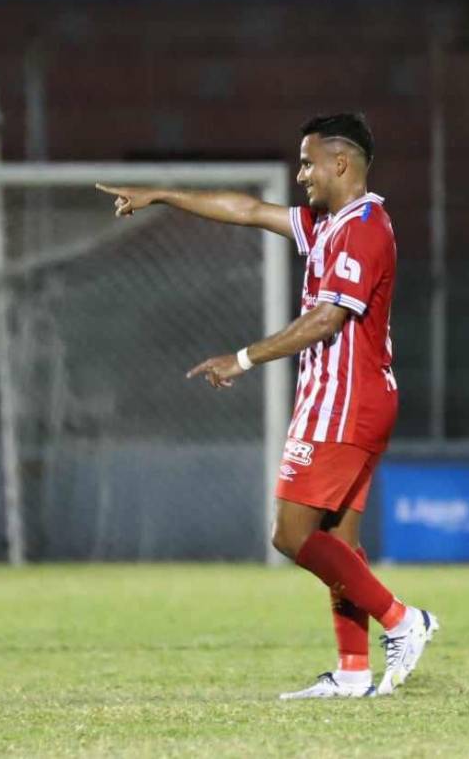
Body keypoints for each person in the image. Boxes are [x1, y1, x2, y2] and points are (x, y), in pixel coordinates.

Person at [97, 112, 438, 699]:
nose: (301, 173)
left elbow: (329, 317)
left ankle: (403, 620)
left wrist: (244, 358)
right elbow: (249, 211)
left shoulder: (362, 227)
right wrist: (164, 195)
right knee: (337, 542)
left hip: (342, 398)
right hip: (357, 396)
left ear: (341, 163)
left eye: (308, 162)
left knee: (290, 534)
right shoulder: (330, 224)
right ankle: (354, 673)